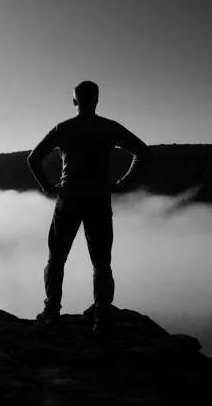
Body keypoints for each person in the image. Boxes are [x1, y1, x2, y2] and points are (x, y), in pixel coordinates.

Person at [27, 80, 152, 331]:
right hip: (99, 199)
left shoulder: (63, 128)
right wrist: (123, 183)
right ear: (96, 100)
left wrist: (48, 186)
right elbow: (143, 153)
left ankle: (51, 312)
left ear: (75, 101)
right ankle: (102, 318)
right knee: (102, 263)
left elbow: (33, 158)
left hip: (69, 198)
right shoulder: (110, 128)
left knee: (56, 259)